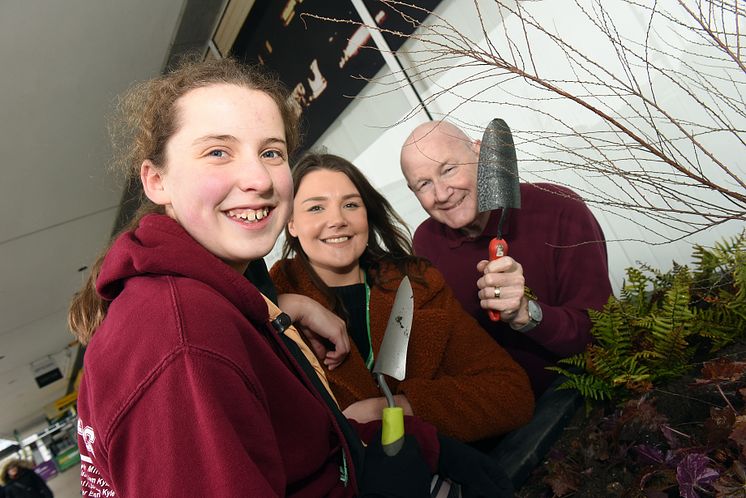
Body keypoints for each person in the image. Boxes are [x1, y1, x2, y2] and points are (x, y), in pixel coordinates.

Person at [67, 57, 512, 497]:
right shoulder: (181, 336)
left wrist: (416, 435)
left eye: (271, 152)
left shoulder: (243, 304)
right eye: (217, 151)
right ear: (156, 180)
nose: (257, 177)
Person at [270, 153, 534, 443]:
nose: (337, 220)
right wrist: (288, 306)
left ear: (366, 215)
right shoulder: (270, 305)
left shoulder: (419, 286)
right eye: (316, 208)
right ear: (291, 223)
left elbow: (511, 393)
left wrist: (393, 408)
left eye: (350, 205)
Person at [400, 121, 613, 396]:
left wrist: (527, 313)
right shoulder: (427, 242)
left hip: (585, 394)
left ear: (479, 153)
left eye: (449, 170)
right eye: (424, 184)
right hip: (505, 414)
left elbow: (603, 335)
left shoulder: (560, 210)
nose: (441, 194)